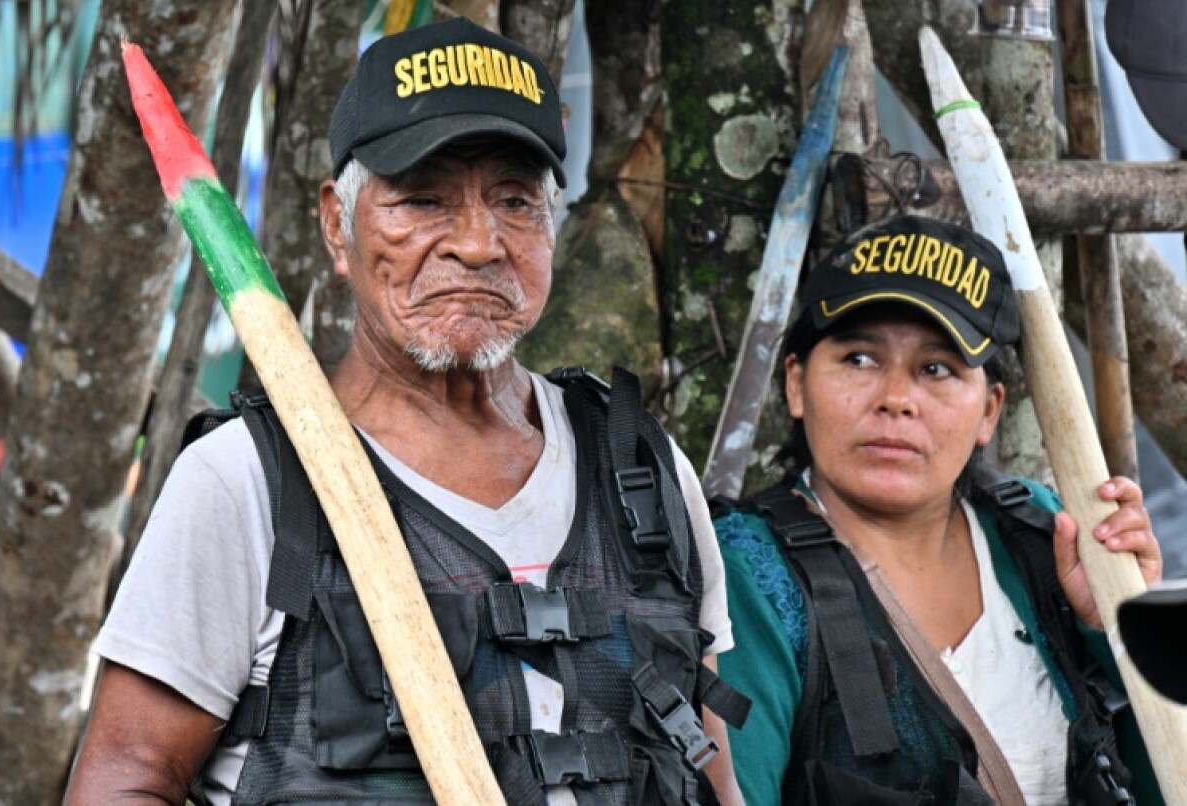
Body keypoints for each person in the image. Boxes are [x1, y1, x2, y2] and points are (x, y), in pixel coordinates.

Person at [66, 17, 748, 806]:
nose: (478, 242)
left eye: (515, 200)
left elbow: (707, 772)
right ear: (337, 224)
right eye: (423, 200)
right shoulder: (243, 485)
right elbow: (125, 782)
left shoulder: (640, 471)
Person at [712, 215, 1164, 805]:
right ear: (796, 384)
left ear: (990, 411)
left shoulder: (1038, 532)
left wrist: (1117, 629)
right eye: (859, 359)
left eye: (936, 369)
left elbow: (1160, 775)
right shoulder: (749, 574)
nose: (897, 400)